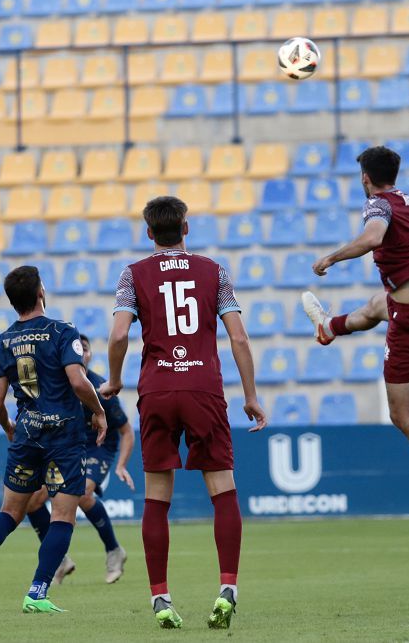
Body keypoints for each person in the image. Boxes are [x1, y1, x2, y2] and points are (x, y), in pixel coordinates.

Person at [99, 196, 267, 630]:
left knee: (157, 494)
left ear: (149, 233)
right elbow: (241, 340)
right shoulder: (215, 271)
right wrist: (250, 395)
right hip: (203, 388)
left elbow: (118, 333)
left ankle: (161, 598)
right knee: (222, 488)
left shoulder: (132, 274)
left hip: (156, 389)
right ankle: (228, 587)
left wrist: (115, 380)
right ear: (186, 230)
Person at [301, 145, 409, 534]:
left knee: (401, 413)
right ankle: (329, 327)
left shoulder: (377, 204)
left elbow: (373, 237)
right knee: (376, 306)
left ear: (365, 178)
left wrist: (331, 257)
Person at [0, 266, 107, 614]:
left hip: (27, 432)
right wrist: (99, 411)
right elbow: (79, 383)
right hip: (64, 435)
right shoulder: (63, 332)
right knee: (64, 516)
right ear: (41, 293)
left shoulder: (3, 342)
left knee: (9, 512)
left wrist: (10, 427)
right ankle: (37, 592)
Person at [24, 333, 134, 585]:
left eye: (85, 349)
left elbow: (126, 431)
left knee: (83, 492)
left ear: (89, 355)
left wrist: (121, 464)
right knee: (32, 501)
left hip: (98, 447)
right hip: (66, 446)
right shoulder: (57, 385)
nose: (80, 353)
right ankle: (61, 559)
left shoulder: (101, 388)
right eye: (77, 349)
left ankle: (114, 551)